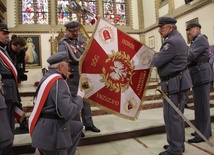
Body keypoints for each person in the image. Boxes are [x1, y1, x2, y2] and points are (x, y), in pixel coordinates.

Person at [29, 51, 84, 155]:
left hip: (43, 125)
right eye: (68, 65)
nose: (69, 68)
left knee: (77, 127)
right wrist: (80, 97)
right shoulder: (58, 82)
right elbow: (68, 113)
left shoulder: (47, 77)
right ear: (60, 67)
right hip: (53, 133)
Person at [152, 17, 192, 155]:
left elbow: (157, 62)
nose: (159, 30)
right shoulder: (177, 39)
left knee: (172, 116)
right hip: (177, 83)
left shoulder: (171, 42)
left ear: (170, 28)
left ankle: (175, 149)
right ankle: (177, 144)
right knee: (176, 116)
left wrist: (151, 57)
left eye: (162, 28)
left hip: (175, 84)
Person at [58, 20, 100, 137]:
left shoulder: (80, 40)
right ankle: (77, 127)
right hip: (72, 77)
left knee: (85, 99)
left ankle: (89, 124)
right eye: (72, 31)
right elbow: (64, 59)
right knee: (75, 101)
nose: (75, 33)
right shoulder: (63, 43)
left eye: (76, 30)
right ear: (67, 31)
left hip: (83, 76)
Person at [186, 21, 212, 143]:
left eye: (190, 29)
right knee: (200, 105)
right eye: (188, 29)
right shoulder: (195, 41)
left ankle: (202, 134)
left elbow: (191, 56)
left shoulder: (200, 39)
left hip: (201, 75)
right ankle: (203, 130)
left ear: (197, 29)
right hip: (198, 76)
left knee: (202, 105)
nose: (189, 32)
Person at [0, 23, 21, 155]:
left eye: (8, 33)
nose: (7, 36)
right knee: (4, 123)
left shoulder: (4, 50)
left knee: (10, 121)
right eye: (4, 33)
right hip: (4, 90)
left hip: (11, 90)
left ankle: (8, 148)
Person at [7, 35, 29, 132]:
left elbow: (20, 65)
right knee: (12, 104)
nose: (18, 51)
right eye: (17, 49)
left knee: (17, 103)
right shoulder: (5, 51)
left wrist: (21, 73)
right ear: (13, 44)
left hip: (14, 81)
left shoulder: (20, 53)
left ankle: (23, 123)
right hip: (6, 83)